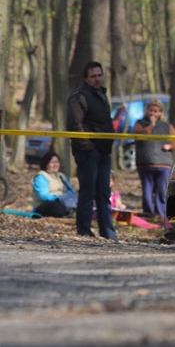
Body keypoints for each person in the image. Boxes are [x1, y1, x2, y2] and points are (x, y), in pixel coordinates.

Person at [66, 61, 118, 240]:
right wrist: (88, 147)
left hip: (104, 152)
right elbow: (74, 125)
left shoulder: (102, 95)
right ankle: (84, 230)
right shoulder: (78, 96)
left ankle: (108, 232)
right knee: (87, 192)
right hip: (89, 152)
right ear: (86, 78)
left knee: (104, 193)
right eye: (93, 76)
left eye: (99, 75)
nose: (97, 79)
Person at [132, 98, 175, 218]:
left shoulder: (166, 125)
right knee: (147, 193)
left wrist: (170, 146)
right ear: (147, 110)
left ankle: (160, 216)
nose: (153, 113)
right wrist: (150, 126)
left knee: (161, 192)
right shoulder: (140, 124)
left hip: (163, 164)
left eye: (156, 111)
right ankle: (148, 215)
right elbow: (137, 137)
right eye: (151, 110)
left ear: (160, 112)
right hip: (145, 164)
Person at [31, 151, 77, 218]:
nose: (55, 165)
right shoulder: (41, 177)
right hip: (44, 206)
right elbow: (43, 196)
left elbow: (71, 191)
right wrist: (59, 198)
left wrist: (65, 198)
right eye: (52, 162)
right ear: (46, 164)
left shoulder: (62, 176)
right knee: (53, 206)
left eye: (57, 162)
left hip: (63, 203)